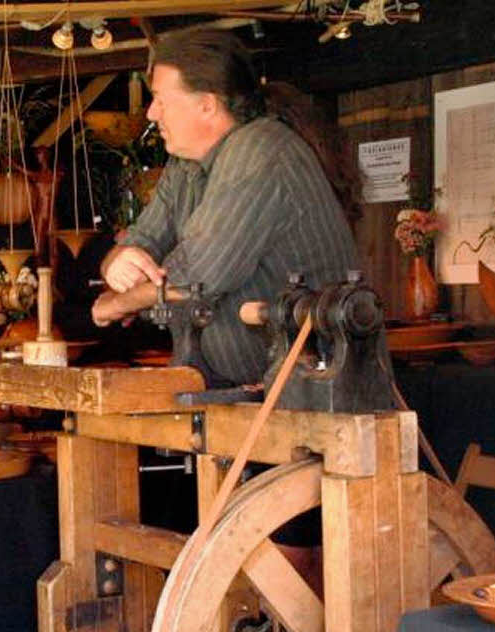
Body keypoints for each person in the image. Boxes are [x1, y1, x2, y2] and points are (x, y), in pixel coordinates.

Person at [92, 28, 361, 389]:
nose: (152, 113)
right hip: (247, 393)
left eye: (160, 99)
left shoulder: (260, 151)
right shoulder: (184, 166)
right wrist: (117, 266)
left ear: (206, 103)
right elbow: (138, 245)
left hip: (319, 393)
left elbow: (194, 279)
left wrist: (114, 305)